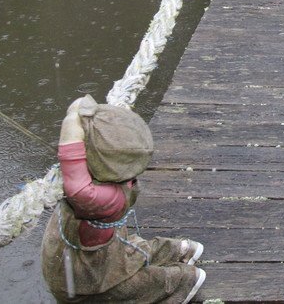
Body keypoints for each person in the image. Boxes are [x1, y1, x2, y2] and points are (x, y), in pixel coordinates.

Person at [41, 95, 206, 302]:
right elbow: (80, 183)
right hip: (94, 261)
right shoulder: (112, 182)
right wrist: (79, 114)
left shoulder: (107, 198)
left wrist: (71, 121)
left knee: (123, 274)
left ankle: (175, 271)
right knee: (137, 260)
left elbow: (77, 185)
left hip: (91, 262)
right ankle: (176, 260)